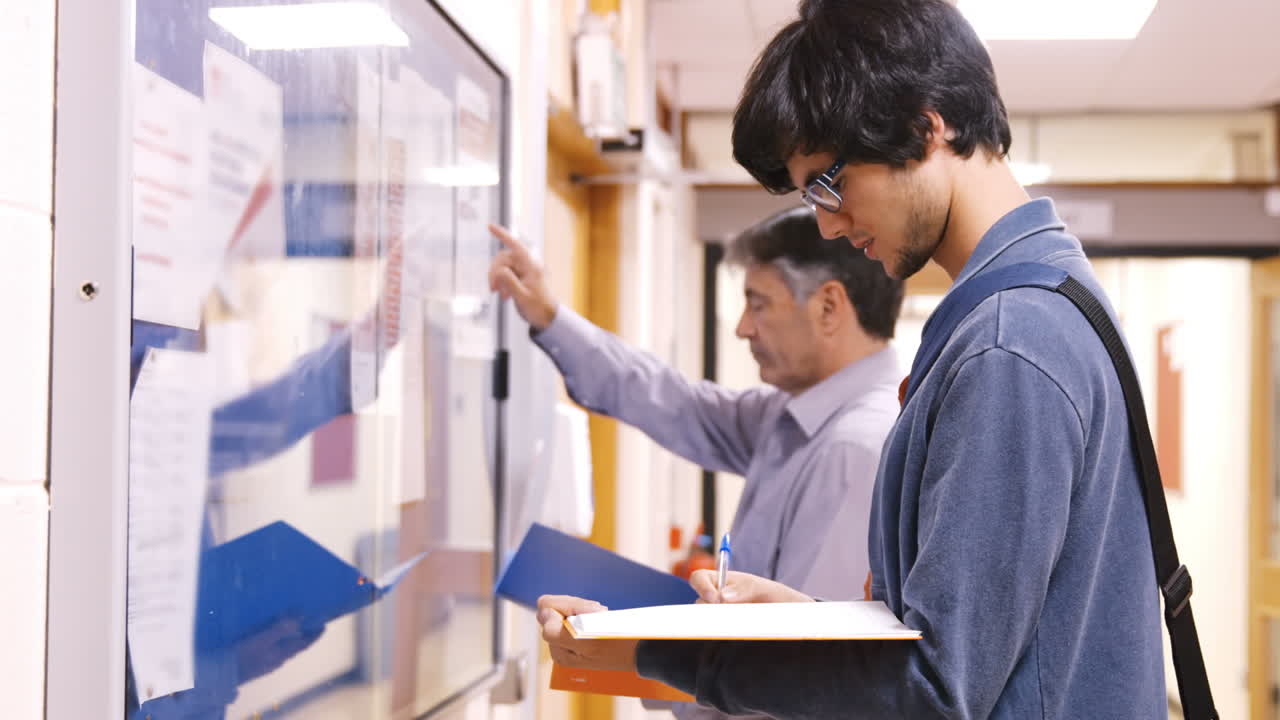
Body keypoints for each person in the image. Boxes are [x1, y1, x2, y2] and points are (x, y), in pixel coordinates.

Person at [535, 0, 1170, 717]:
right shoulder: (1033, 301)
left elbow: (939, 691)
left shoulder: (1009, 343)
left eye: (829, 184)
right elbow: (967, 644)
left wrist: (650, 653)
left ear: (926, 127)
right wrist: (798, 618)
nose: (829, 223)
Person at [489, 207, 903, 720]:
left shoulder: (858, 447)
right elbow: (673, 402)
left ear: (828, 307)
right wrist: (549, 314)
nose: (741, 328)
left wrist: (640, 650)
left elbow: (803, 670)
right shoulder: (790, 415)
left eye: (758, 304)